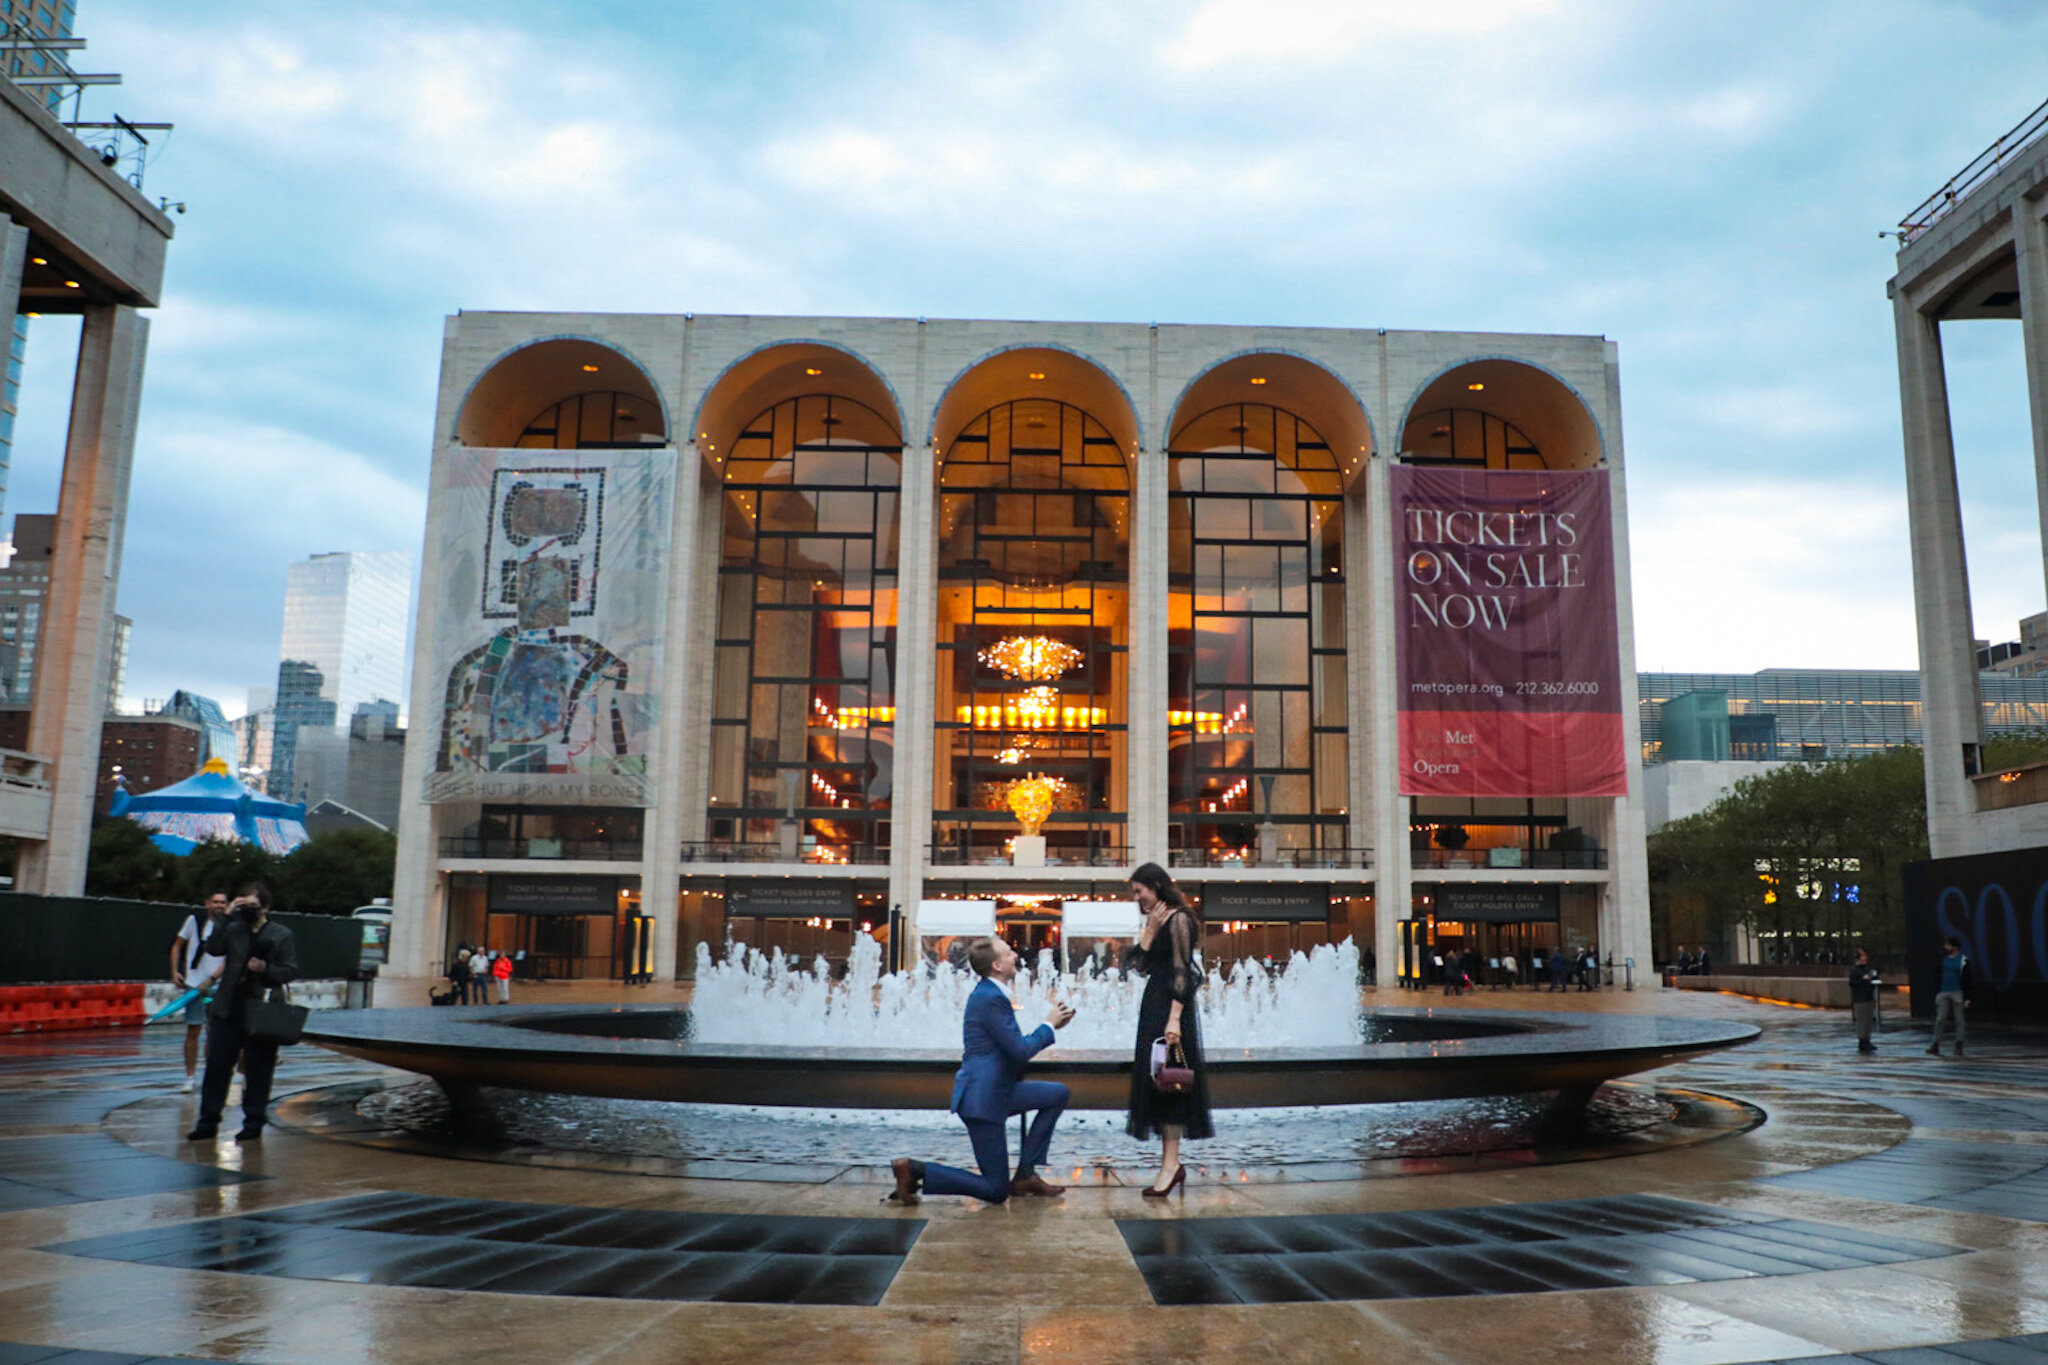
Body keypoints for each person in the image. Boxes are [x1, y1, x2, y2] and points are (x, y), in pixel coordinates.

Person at [888, 936, 1074, 1205]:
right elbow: (1019, 1051)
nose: (1015, 956)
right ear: (997, 965)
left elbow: (1012, 1048)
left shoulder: (992, 994)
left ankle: (1025, 1175)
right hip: (983, 1101)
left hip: (998, 1091)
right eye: (1009, 952)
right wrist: (1048, 1025)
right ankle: (915, 1169)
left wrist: (1051, 1027)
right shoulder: (990, 998)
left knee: (1057, 1094)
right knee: (995, 1191)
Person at [1124, 862, 1213, 1197]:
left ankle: (1171, 1165)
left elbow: (1185, 972)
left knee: (1171, 1084)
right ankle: (1169, 1164)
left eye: (1139, 891)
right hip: (1155, 1007)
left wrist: (1174, 1017)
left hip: (1170, 1011)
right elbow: (1137, 966)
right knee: (1158, 1082)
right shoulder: (1159, 919)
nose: (1137, 898)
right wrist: (1149, 931)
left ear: (1156, 885)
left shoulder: (1179, 919)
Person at [186, 882, 299, 1143]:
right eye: (244, 905)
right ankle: (207, 1122)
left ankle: (253, 1122)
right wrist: (226, 916)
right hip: (228, 1006)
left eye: (253, 906)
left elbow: (291, 970)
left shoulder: (281, 934)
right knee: (217, 1067)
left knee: (259, 1069)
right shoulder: (235, 929)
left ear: (266, 907)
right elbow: (214, 948)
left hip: (262, 1010)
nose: (248, 911)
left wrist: (265, 969)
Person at [168, 890, 230, 1094]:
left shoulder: (230, 926)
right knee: (193, 1030)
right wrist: (175, 971)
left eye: (223, 902)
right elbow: (177, 945)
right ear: (207, 903)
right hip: (193, 983)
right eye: (215, 902)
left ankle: (210, 1075)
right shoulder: (194, 921)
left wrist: (212, 979)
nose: (219, 905)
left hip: (217, 985)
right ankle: (190, 1076)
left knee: (215, 1033)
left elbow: (230, 958)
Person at [1928, 936, 1972, 1056]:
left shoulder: (1963, 960)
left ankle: (1959, 1044)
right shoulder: (1942, 959)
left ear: (1955, 947)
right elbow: (1936, 973)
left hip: (1957, 991)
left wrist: (1967, 997)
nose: (1945, 947)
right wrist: (1937, 990)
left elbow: (1968, 979)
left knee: (1959, 1020)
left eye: (1948, 945)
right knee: (1940, 1019)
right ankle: (1935, 1044)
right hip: (1944, 991)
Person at [1848, 949, 1881, 1054]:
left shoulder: (1867, 969)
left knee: (1868, 1020)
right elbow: (1853, 983)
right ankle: (1862, 1041)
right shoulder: (1855, 971)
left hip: (1868, 997)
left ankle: (1867, 1039)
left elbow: (1873, 978)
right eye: (1862, 959)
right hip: (1860, 998)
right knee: (1862, 1020)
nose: (1864, 960)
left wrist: (1874, 977)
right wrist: (1863, 979)